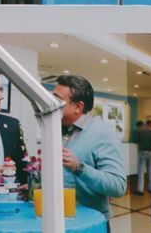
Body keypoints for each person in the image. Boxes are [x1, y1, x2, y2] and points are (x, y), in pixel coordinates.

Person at [53, 74, 126, 220]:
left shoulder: (102, 132)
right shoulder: (55, 128)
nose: (52, 103)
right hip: (59, 220)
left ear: (78, 107)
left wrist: (79, 167)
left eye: (57, 99)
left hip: (89, 223)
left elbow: (118, 186)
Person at [134, 118, 151, 195]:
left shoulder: (138, 130)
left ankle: (140, 190)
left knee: (141, 172)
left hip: (143, 152)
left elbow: (135, 140)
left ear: (138, 125)